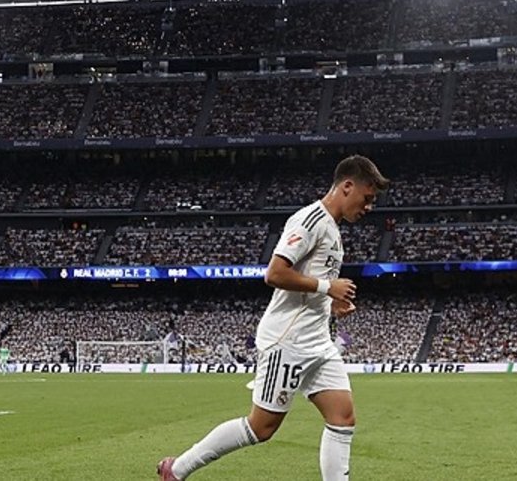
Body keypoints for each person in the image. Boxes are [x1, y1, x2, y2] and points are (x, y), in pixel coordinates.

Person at [158, 155, 390, 481]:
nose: (368, 208)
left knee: (343, 417)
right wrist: (328, 286)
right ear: (347, 186)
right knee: (261, 427)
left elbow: (307, 283)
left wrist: (331, 301)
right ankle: (177, 469)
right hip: (288, 342)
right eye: (367, 198)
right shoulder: (310, 221)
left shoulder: (333, 230)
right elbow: (275, 273)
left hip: (317, 343)